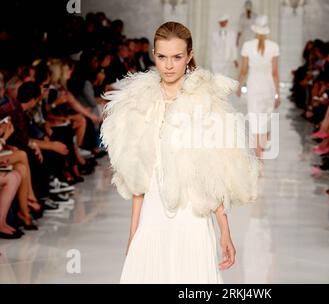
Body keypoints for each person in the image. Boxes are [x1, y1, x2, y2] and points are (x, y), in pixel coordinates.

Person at [100, 21, 260, 284]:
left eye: (177, 57)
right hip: (152, 214)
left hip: (192, 215)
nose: (169, 65)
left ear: (189, 55)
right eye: (162, 57)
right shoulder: (139, 103)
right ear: (154, 54)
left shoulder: (205, 102)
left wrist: (224, 230)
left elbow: (216, 169)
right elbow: (138, 174)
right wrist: (133, 235)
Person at [237, 15, 281, 165]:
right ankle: (261, 151)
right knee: (265, 120)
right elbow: (275, 73)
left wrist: (238, 85)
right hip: (268, 87)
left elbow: (243, 70)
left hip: (254, 86)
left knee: (256, 121)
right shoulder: (274, 46)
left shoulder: (248, 46)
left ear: (255, 30)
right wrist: (277, 94)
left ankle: (259, 156)